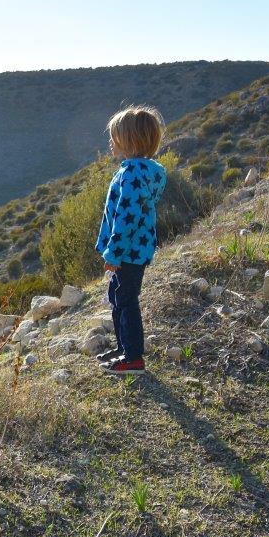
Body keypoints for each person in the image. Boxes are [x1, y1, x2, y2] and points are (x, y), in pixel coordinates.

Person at [94, 105, 166, 374]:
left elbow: (126, 218)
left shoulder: (132, 173)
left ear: (129, 141)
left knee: (125, 300)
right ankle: (124, 347)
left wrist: (113, 253)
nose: (110, 142)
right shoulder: (143, 170)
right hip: (136, 249)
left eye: (114, 137)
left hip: (128, 251)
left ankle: (133, 357)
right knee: (118, 296)